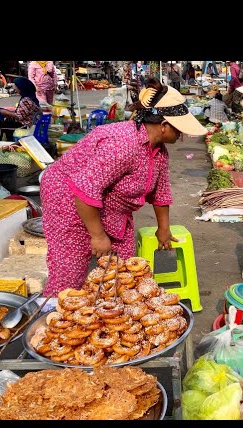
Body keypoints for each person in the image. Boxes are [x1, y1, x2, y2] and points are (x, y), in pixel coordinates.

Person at [39, 81, 208, 297]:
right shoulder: (123, 145)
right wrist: (97, 235)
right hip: (68, 197)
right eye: (179, 129)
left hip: (108, 202)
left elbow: (161, 192)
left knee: (125, 269)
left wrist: (163, 228)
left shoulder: (160, 151)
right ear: (164, 125)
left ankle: (114, 309)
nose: (181, 135)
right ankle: (53, 315)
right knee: (70, 272)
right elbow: (84, 191)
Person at [0, 77, 42, 141]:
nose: (15, 88)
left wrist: (5, 112)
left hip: (25, 126)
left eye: (16, 87)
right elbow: (22, 112)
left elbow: (19, 116)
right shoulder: (30, 97)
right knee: (6, 120)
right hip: (28, 124)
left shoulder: (26, 100)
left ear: (22, 88)